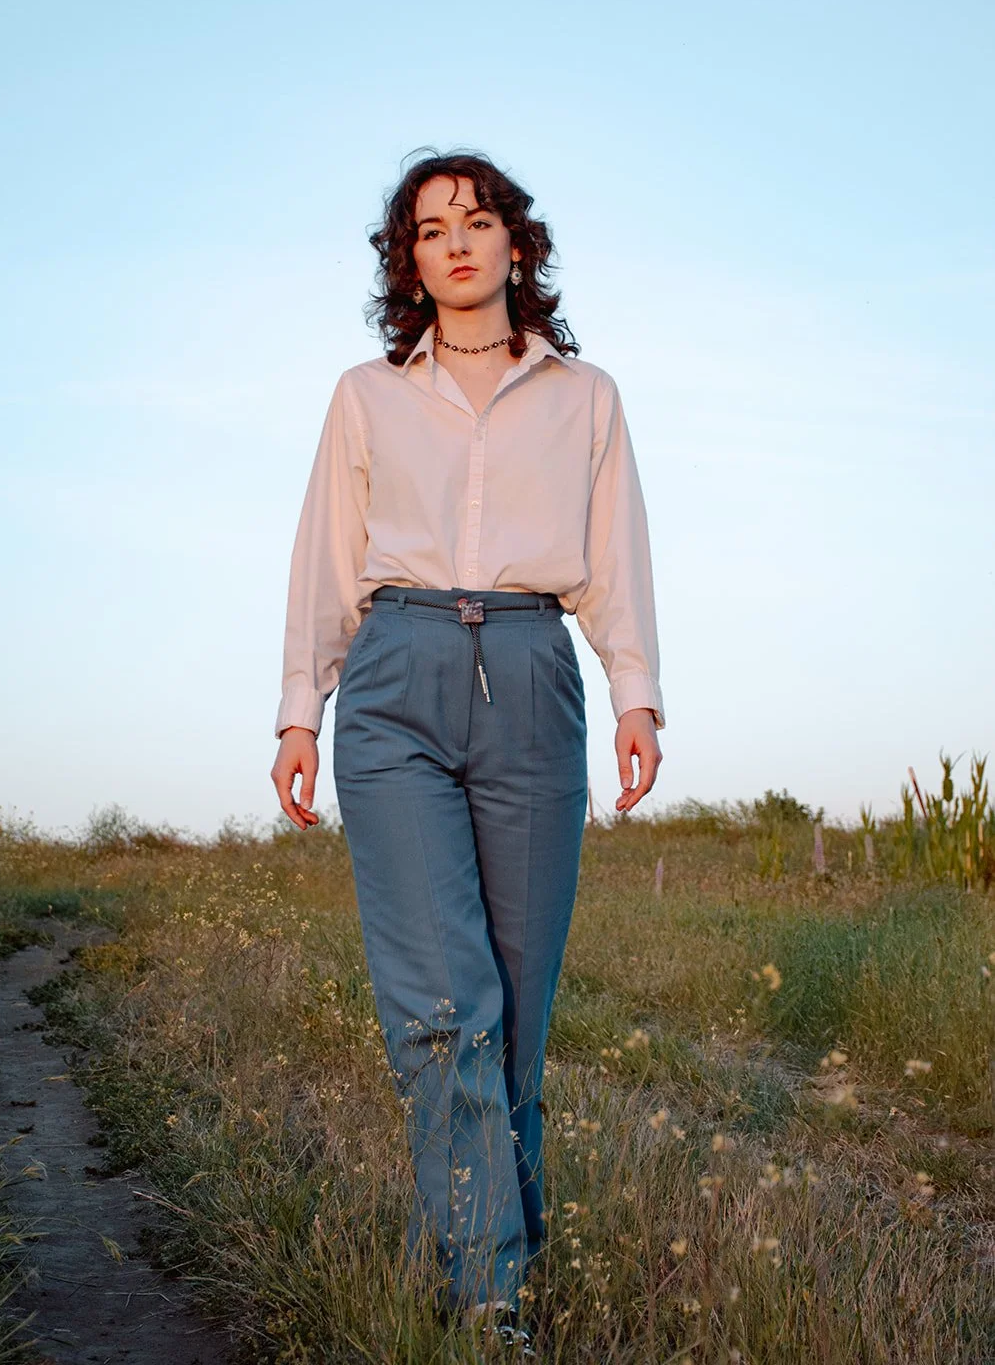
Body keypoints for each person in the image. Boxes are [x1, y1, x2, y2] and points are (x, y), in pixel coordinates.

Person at [270, 150, 664, 1349]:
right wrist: (299, 710)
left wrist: (635, 696)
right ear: (409, 262)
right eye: (431, 227)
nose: (455, 242)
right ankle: (491, 1297)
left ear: (514, 245)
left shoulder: (585, 396)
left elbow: (616, 556)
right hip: (395, 675)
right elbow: (325, 557)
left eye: (477, 221)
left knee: (515, 1019)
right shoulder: (364, 395)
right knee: (446, 1007)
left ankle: (460, 1257)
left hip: (535, 675)